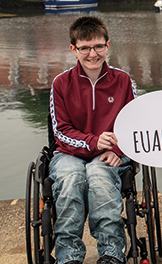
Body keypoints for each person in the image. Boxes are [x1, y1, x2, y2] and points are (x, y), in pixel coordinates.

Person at [49, 16, 136, 264]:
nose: (92, 54)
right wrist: (92, 141)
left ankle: (111, 252)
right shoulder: (61, 83)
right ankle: (69, 255)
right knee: (71, 178)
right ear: (73, 50)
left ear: (108, 46)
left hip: (109, 153)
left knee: (99, 175)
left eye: (98, 46)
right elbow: (60, 130)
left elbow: (134, 123)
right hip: (69, 152)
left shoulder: (123, 80)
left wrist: (118, 149)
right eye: (85, 48)